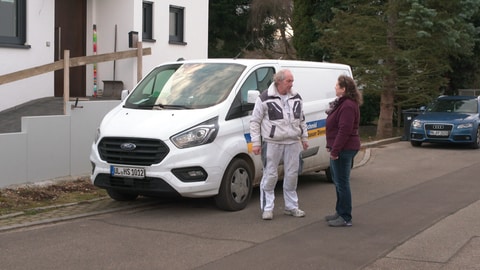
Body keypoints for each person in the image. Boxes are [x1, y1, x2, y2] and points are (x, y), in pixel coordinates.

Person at [250, 69, 309, 220]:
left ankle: (291, 207)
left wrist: (304, 138)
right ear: (279, 81)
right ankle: (267, 208)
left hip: (292, 142)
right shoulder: (264, 98)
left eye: (292, 81)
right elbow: (255, 121)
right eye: (289, 81)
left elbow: (301, 119)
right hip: (272, 142)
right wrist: (256, 143)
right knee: (270, 175)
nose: (291, 84)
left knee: (292, 175)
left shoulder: (296, 97)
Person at [324, 74, 363, 227]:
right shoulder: (343, 103)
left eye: (337, 85)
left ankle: (345, 216)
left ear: (344, 89)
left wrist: (335, 151)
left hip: (344, 149)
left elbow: (344, 130)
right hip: (340, 147)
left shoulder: (347, 105)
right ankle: (340, 211)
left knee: (342, 182)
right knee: (339, 181)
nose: (335, 87)